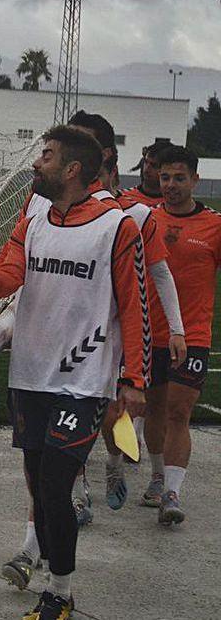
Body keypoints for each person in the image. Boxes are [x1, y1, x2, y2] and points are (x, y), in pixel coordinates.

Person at [0, 125, 149, 620]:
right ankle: (48, 565)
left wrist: (134, 379)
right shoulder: (34, 218)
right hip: (29, 373)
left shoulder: (118, 225)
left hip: (84, 380)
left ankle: (60, 593)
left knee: (54, 485)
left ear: (71, 169)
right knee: (39, 489)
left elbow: (135, 307)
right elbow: (10, 274)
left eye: (45, 155)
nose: (36, 163)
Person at [95, 151, 186, 513]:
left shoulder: (136, 215)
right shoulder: (57, 213)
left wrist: (177, 329)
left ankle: (119, 467)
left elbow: (160, 273)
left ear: (111, 172)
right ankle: (78, 488)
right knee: (87, 408)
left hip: (128, 329)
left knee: (126, 406)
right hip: (80, 331)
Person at [141, 145, 220, 525]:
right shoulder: (144, 220)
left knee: (179, 411)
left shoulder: (215, 226)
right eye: (165, 177)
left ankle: (173, 492)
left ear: (195, 180)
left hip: (193, 336)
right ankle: (157, 475)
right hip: (147, 334)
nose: (170, 185)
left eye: (179, 178)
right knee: (153, 408)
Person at [120, 139, 173, 208]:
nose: (147, 168)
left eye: (154, 165)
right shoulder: (123, 197)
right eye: (145, 162)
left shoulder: (175, 205)